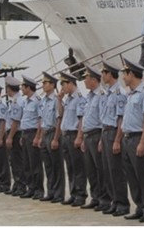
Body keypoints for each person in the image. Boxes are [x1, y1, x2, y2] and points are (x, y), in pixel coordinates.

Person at [121, 58, 144, 223]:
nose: (123, 77)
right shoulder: (130, 94)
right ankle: (140, 206)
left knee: (142, 174)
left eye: (125, 73)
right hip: (127, 138)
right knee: (131, 175)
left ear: (131, 74)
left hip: (138, 138)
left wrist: (143, 142)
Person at [100, 59, 130, 216]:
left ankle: (122, 203)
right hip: (105, 132)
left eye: (103, 73)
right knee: (108, 170)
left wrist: (118, 140)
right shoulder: (108, 93)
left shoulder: (119, 93)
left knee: (116, 170)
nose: (101, 76)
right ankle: (114, 200)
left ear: (109, 74)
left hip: (113, 133)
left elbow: (120, 119)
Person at [78, 65, 110, 211]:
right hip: (88, 134)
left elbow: (103, 118)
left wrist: (102, 139)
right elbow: (86, 119)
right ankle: (95, 197)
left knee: (100, 169)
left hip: (97, 134)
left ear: (93, 80)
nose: (84, 81)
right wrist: (83, 137)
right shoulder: (89, 97)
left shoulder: (102, 95)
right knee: (90, 169)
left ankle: (104, 199)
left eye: (86, 78)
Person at [59, 71, 88, 207]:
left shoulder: (79, 98)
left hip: (74, 134)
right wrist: (59, 99)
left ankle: (81, 195)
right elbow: (61, 114)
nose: (62, 88)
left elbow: (81, 118)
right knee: (70, 167)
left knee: (78, 167)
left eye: (63, 84)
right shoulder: (69, 99)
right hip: (66, 135)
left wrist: (79, 136)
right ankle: (73, 193)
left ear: (71, 83)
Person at [37, 72, 65, 203]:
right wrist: (41, 137)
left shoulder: (56, 100)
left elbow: (59, 119)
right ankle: (51, 191)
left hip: (53, 133)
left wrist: (55, 138)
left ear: (53, 85)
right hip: (45, 133)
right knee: (48, 166)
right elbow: (42, 120)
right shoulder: (43, 100)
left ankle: (59, 193)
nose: (43, 85)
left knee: (56, 165)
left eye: (45, 83)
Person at [19, 75, 44, 200]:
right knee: (27, 163)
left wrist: (38, 136)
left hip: (33, 133)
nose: (21, 89)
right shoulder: (26, 102)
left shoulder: (36, 101)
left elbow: (40, 120)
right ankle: (31, 188)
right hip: (25, 133)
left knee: (35, 164)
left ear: (28, 87)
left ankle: (39, 189)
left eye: (23, 87)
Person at [4, 76, 27, 197]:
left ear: (9, 89)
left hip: (16, 133)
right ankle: (17, 184)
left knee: (17, 160)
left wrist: (10, 137)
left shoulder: (17, 102)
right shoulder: (16, 100)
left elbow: (15, 122)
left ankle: (21, 185)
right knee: (14, 160)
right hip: (15, 133)